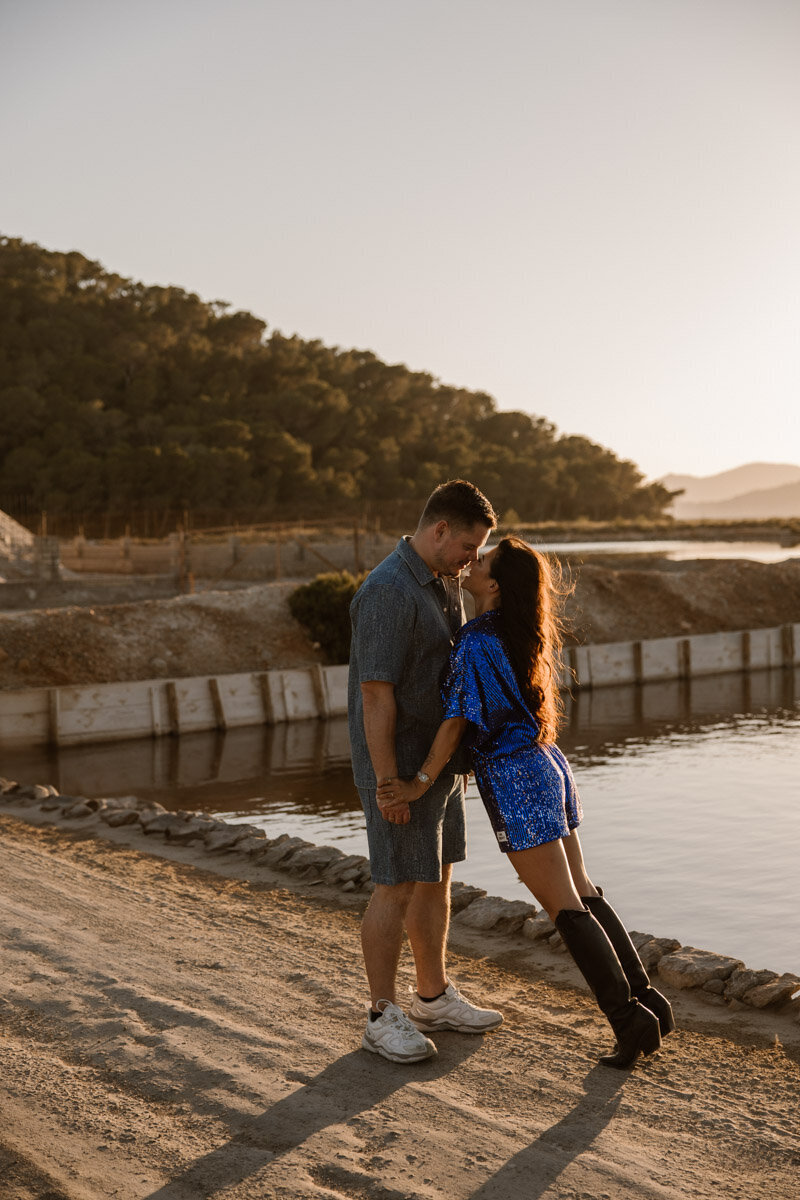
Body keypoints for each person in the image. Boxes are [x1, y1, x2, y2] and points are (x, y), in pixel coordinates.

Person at [377, 536, 675, 1070]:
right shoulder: (517, 635)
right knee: (583, 891)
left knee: (565, 908)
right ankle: (648, 1001)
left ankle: (628, 1021)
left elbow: (454, 726)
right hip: (547, 765)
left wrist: (419, 782)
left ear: (494, 585)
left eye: (484, 560)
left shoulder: (474, 642)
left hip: (517, 777)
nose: (473, 561)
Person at [348, 479, 504, 1064]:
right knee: (395, 884)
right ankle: (381, 1014)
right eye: (469, 546)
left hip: (435, 768)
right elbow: (375, 697)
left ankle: (433, 997)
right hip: (400, 770)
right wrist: (390, 783)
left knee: (435, 876)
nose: (472, 559)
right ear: (440, 530)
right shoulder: (388, 592)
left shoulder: (443, 583)